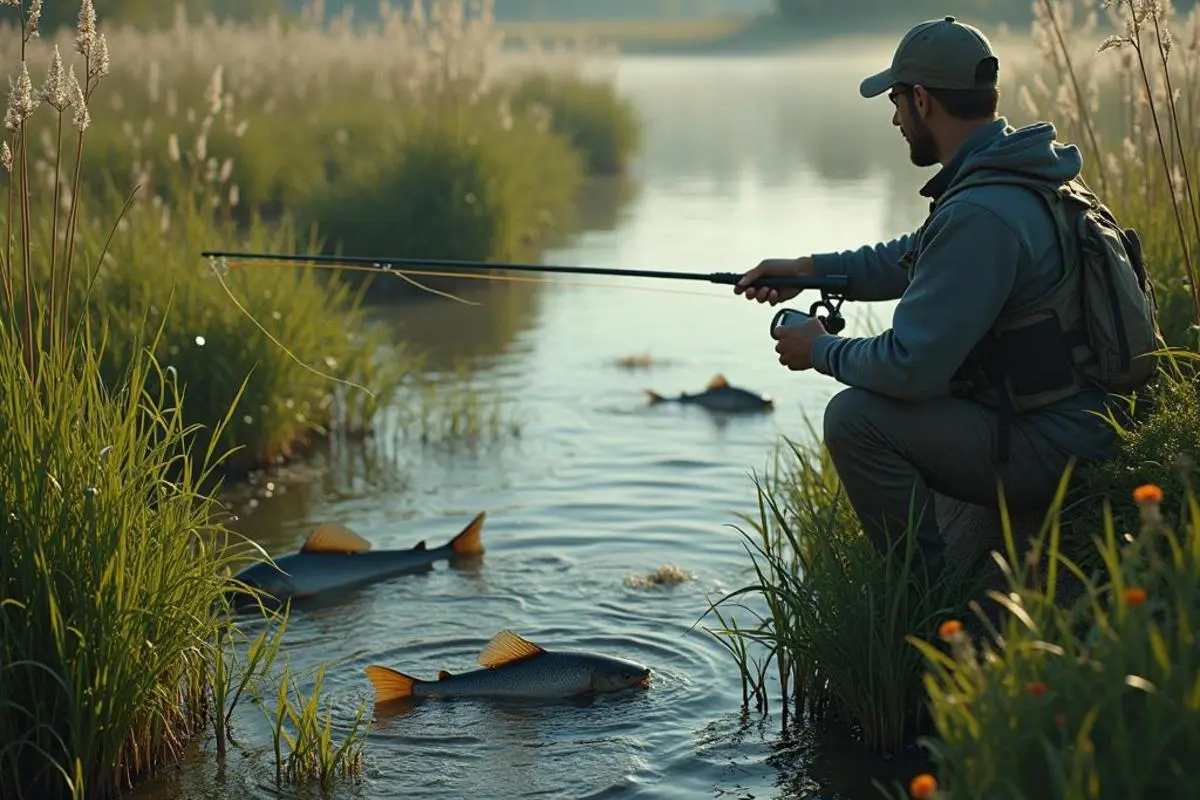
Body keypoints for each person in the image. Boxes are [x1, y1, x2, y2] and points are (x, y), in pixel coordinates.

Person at [733, 16, 1121, 579]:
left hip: (1057, 445)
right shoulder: (1019, 175)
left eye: (896, 101)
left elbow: (909, 367)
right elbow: (913, 256)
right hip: (1079, 417)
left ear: (922, 100)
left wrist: (818, 349)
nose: (894, 118)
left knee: (856, 418)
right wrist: (809, 271)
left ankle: (922, 602)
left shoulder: (980, 213)